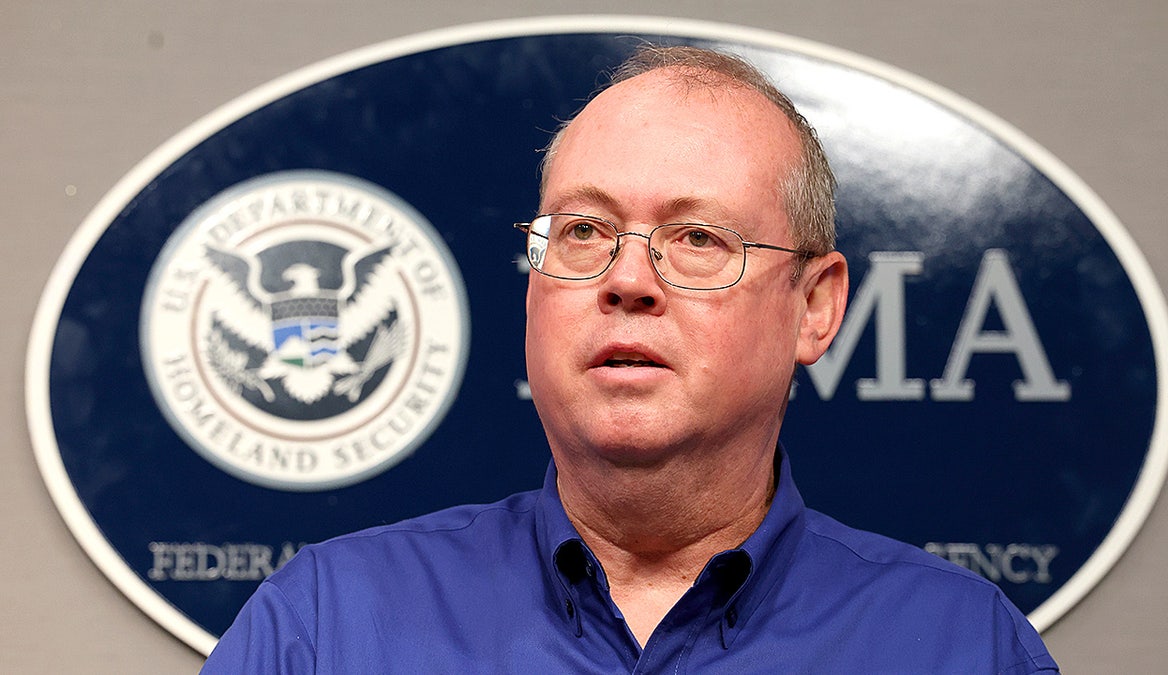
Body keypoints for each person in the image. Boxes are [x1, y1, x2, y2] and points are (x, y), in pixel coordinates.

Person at [203, 45, 1059, 673]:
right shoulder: (324, 626)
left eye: (696, 238)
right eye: (584, 230)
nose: (627, 280)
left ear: (814, 306)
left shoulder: (963, 646)